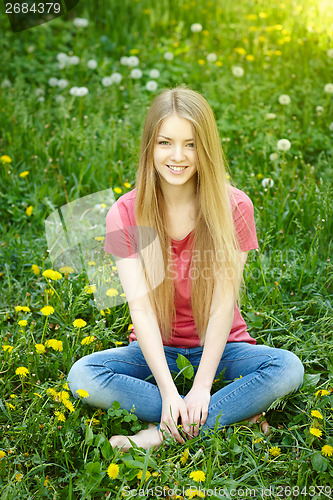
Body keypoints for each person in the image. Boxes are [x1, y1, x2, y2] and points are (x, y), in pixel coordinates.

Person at [68, 86, 304, 451]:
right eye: (165, 142)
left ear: (205, 148)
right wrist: (167, 389)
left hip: (222, 347)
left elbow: (223, 306)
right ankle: (226, 415)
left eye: (190, 144)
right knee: (84, 375)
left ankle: (163, 432)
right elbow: (141, 309)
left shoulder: (234, 208)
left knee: (288, 368)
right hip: (154, 350)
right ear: (150, 146)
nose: (178, 156)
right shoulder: (126, 213)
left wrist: (202, 385)